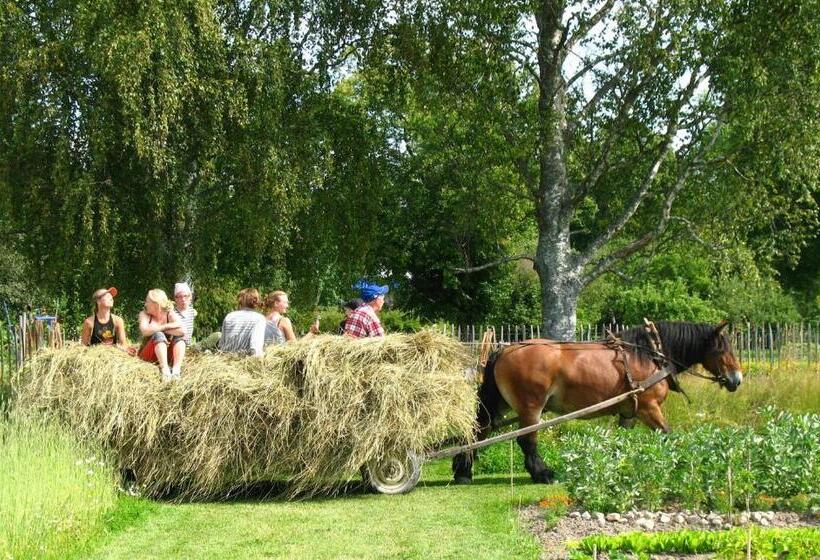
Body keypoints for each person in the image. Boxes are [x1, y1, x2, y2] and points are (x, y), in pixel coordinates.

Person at [138, 289, 186, 381]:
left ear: (156, 304)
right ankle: (165, 370)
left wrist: (160, 328)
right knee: (158, 335)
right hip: (148, 355)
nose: (145, 304)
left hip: (166, 353)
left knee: (179, 338)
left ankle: (176, 370)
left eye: (147, 301)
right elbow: (145, 331)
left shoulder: (169, 313)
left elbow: (182, 331)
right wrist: (167, 328)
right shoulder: (144, 314)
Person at [219, 288, 267, 356]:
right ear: (256, 301)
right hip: (244, 362)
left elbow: (222, 344)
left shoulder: (229, 316)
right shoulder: (259, 319)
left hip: (226, 360)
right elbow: (255, 348)